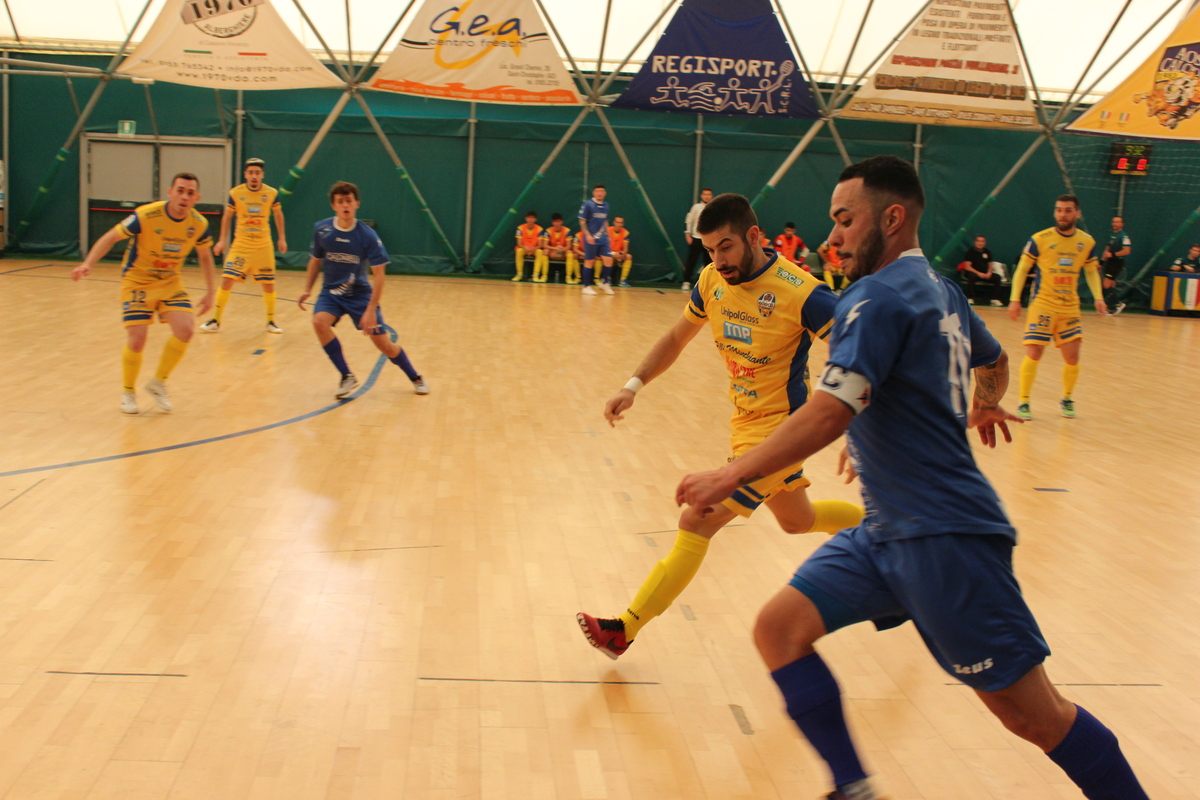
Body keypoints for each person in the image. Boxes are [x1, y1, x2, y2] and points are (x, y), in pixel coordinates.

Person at [676, 155, 1152, 800]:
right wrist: (976, 405)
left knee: (1036, 718)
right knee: (779, 630)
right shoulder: (939, 288)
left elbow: (831, 408)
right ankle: (854, 788)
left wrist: (730, 474)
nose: (833, 236)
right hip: (886, 532)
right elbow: (992, 361)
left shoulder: (874, 296)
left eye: (846, 220)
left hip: (945, 538)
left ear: (892, 218)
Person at [577, 193, 863, 660]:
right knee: (798, 521)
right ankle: (886, 533)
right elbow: (677, 337)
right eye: (709, 249)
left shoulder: (802, 292)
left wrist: (860, 428)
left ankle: (624, 629)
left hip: (782, 432)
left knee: (698, 518)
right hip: (743, 422)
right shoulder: (711, 279)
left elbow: (858, 356)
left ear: (754, 235)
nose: (718, 259)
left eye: (726, 247)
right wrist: (633, 385)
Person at [72, 172, 215, 414]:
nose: (184, 196)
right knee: (137, 340)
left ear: (197, 198)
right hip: (138, 280)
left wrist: (211, 291)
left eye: (190, 193)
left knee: (186, 330)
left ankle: (158, 383)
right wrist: (88, 263)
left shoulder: (198, 224)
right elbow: (111, 237)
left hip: (170, 281)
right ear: (170, 192)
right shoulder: (146, 215)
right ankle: (128, 392)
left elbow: (205, 256)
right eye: (180, 191)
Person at [297, 181, 429, 399]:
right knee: (319, 322)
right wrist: (307, 289)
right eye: (340, 202)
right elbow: (315, 261)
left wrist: (370, 310)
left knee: (384, 345)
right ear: (333, 206)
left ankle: (415, 376)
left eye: (349, 201)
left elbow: (379, 276)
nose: (345, 205)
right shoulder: (322, 229)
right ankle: (346, 375)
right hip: (331, 292)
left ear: (357, 203)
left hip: (359, 295)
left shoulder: (367, 236)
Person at [1007, 195, 1105, 420]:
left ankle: (1067, 399)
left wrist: (1098, 297)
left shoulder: (1086, 242)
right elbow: (1022, 269)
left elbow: (1091, 271)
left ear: (1077, 214)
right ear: (1055, 213)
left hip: (1069, 307)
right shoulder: (1040, 239)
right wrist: (1014, 299)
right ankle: (1024, 402)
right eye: (1059, 210)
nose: (1063, 214)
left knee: (1072, 357)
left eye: (1068, 210)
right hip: (1043, 304)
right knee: (1034, 351)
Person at [200, 157, 286, 333]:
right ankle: (216, 320)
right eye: (251, 173)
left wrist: (282, 238)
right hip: (241, 244)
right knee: (227, 280)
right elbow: (227, 217)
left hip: (263, 245)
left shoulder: (271, 193)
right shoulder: (236, 193)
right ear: (245, 174)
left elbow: (278, 214)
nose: (254, 176)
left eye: (257, 173)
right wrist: (222, 240)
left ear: (262, 175)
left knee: (268, 283)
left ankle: (271, 321)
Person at [578, 184, 615, 295]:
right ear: (594, 193)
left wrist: (609, 235)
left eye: (601, 191)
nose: (599, 193)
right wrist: (588, 235)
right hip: (591, 237)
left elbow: (605, 221)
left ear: (605, 193)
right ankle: (586, 286)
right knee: (589, 261)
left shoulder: (606, 205)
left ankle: (605, 282)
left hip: (603, 238)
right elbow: (582, 221)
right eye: (597, 191)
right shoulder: (588, 204)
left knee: (608, 260)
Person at [959, 234, 1004, 306]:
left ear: (985, 243)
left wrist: (989, 273)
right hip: (974, 273)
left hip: (985, 274)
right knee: (972, 277)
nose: (980, 243)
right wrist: (978, 273)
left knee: (997, 277)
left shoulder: (987, 252)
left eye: (982, 241)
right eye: (978, 241)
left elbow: (990, 265)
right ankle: (969, 298)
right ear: (975, 242)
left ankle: (995, 299)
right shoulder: (970, 252)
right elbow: (967, 266)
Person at [682, 188, 713, 291]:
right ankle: (686, 281)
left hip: (709, 240)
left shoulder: (714, 208)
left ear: (711, 196)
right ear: (701, 195)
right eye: (705, 194)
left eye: (708, 194)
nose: (706, 196)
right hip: (696, 238)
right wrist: (688, 234)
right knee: (692, 261)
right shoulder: (696, 207)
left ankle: (707, 283)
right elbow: (689, 220)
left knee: (709, 263)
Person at [1101, 216, 1131, 315]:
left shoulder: (1124, 236)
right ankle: (1112, 307)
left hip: (1117, 262)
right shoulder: (1112, 235)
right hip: (1110, 262)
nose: (1115, 224)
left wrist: (1113, 254)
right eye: (1114, 222)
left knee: (1106, 284)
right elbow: (1107, 250)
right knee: (1110, 285)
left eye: (1118, 222)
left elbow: (1127, 251)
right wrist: (1101, 262)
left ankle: (1118, 304)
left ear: (1122, 224)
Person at [540, 213, 574, 284]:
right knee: (545, 251)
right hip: (553, 251)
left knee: (570, 253)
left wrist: (560, 250)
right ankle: (544, 276)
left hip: (562, 252)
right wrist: (555, 248)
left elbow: (569, 246)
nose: (557, 223)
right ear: (552, 222)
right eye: (555, 221)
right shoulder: (548, 231)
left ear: (562, 222)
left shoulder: (567, 231)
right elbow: (544, 245)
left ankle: (568, 277)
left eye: (558, 221)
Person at [513, 211, 545, 283]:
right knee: (519, 251)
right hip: (524, 248)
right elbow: (519, 243)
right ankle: (519, 274)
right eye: (529, 217)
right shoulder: (520, 228)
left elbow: (540, 245)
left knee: (540, 252)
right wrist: (525, 247)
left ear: (535, 219)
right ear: (526, 218)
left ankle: (535, 275)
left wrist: (533, 248)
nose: (530, 219)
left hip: (534, 249)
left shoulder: (540, 229)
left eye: (532, 218)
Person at [608, 215, 633, 287]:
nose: (619, 224)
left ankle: (623, 280)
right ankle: (607, 278)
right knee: (608, 257)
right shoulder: (607, 230)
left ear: (623, 224)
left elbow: (625, 249)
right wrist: (613, 254)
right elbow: (604, 247)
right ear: (614, 222)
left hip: (620, 253)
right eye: (617, 222)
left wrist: (622, 254)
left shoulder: (626, 233)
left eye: (621, 223)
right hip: (609, 253)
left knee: (629, 256)